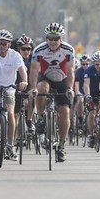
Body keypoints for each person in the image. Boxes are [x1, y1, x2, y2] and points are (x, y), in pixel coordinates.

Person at [29, 22, 75, 162]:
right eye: (50, 38)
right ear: (46, 38)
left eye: (56, 39)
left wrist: (70, 89)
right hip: (46, 77)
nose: (53, 42)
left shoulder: (68, 50)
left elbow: (70, 71)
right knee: (42, 88)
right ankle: (41, 117)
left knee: (65, 112)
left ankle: (61, 146)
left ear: (61, 38)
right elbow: (34, 71)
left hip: (62, 79)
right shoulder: (39, 50)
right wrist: (33, 88)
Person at [0, 29, 28, 161]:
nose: (1, 46)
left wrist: (24, 81)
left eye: (4, 44)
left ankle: (10, 144)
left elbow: (21, 70)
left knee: (10, 114)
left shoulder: (15, 55)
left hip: (9, 87)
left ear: (9, 44)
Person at [83, 51, 100, 149]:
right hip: (92, 94)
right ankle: (91, 135)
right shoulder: (89, 70)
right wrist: (87, 95)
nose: (99, 66)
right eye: (97, 64)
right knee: (92, 113)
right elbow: (86, 84)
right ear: (93, 63)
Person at [14, 34, 36, 136]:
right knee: (15, 113)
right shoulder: (14, 57)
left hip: (29, 83)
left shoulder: (33, 59)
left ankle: (29, 120)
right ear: (19, 49)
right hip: (16, 83)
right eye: (23, 49)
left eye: (28, 49)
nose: (26, 51)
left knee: (32, 97)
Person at [73, 54, 91, 132]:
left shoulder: (91, 70)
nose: (85, 66)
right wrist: (77, 94)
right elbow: (76, 84)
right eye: (83, 64)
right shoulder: (78, 72)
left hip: (90, 91)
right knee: (80, 100)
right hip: (81, 91)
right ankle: (80, 119)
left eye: (87, 64)